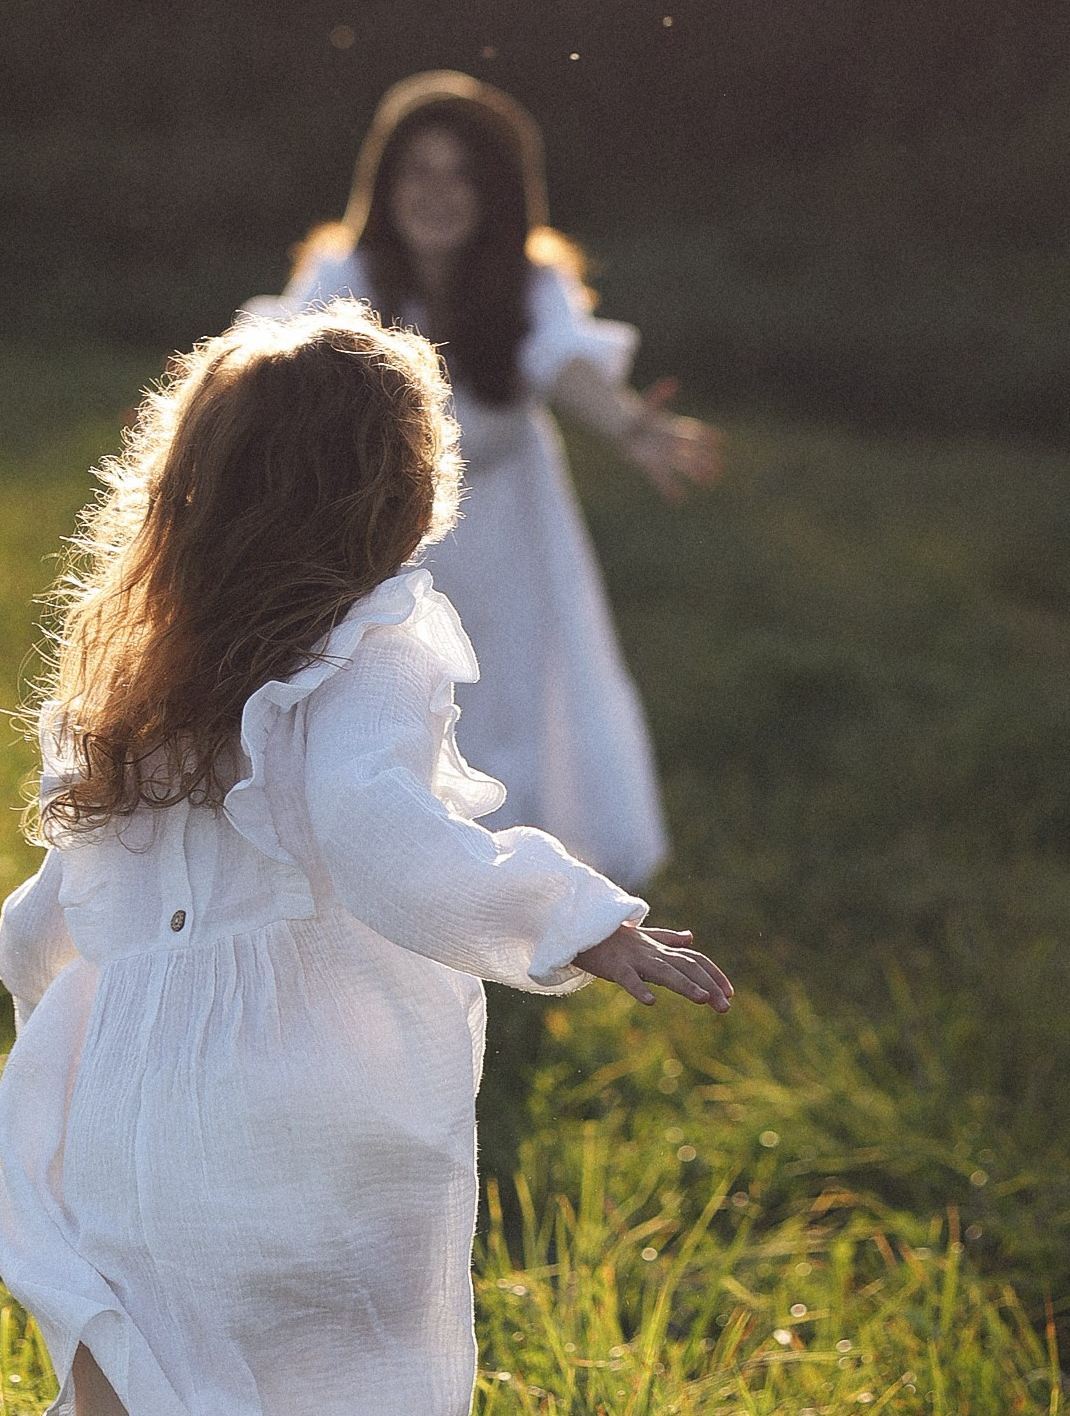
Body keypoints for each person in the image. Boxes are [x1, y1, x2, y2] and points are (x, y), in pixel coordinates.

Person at [0, 306, 733, 1416]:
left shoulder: (137, 664)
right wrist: (581, 921)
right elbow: (385, 838)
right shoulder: (377, 645)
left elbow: (45, 917)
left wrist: (61, 1031)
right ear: (400, 493)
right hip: (326, 1136)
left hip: (144, 1140)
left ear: (190, 487)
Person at [248, 73, 720, 889]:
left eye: (462, 175)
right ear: (384, 182)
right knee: (385, 699)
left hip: (506, 534)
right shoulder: (346, 270)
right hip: (377, 540)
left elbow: (563, 362)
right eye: (418, 171)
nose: (437, 194)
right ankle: (387, 879)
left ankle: (512, 893)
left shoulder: (530, 282)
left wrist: (629, 425)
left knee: (504, 702)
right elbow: (277, 362)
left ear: (497, 194)